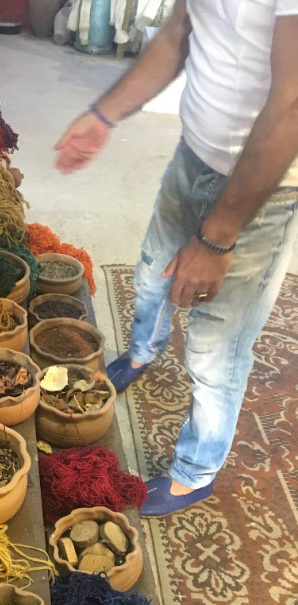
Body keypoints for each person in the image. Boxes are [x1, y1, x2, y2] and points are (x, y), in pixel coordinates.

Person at [55, 0, 298, 516]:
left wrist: (217, 238)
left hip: (262, 191)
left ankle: (196, 472)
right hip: (194, 155)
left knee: (216, 346)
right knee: (152, 273)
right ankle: (143, 350)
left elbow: (293, 99)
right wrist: (104, 114)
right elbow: (179, 33)